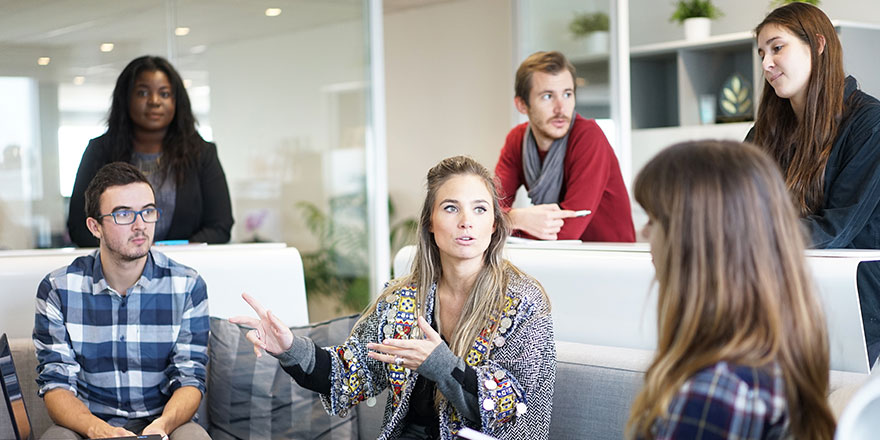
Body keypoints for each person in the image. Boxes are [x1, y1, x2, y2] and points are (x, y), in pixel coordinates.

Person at [232, 156, 555, 439]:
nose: (466, 221)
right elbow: (350, 372)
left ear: (494, 224)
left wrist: (442, 366)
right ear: (430, 222)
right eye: (451, 207)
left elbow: (511, 405)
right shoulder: (401, 299)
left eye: (480, 209)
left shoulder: (524, 301)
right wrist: (290, 348)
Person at [627, 141, 835, 439]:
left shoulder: (716, 393)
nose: (644, 233)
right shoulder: (771, 360)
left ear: (694, 240)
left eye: (654, 220)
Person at [34, 162, 210, 439]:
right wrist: (100, 431)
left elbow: (190, 378)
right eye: (124, 214)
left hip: (163, 423)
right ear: (95, 226)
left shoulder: (187, 286)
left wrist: (161, 427)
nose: (140, 225)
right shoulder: (58, 288)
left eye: (148, 212)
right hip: (88, 425)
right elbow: (56, 385)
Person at [747, 2, 880, 362]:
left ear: (818, 45)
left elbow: (836, 228)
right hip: (783, 300)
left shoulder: (870, 123)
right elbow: (738, 205)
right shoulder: (765, 132)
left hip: (855, 307)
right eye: (761, 53)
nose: (766, 64)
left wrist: (747, 236)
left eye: (777, 47)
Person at [67, 55, 233, 247]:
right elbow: (79, 227)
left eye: (164, 94)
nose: (154, 101)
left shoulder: (202, 154)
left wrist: (171, 254)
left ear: (177, 101)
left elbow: (220, 227)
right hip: (117, 271)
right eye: (143, 93)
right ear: (125, 98)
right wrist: (130, 252)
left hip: (185, 268)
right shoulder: (100, 152)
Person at [494, 50, 635, 242]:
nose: (561, 108)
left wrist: (506, 221)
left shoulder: (588, 137)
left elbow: (566, 232)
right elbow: (487, 210)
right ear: (522, 105)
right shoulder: (516, 140)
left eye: (567, 94)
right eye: (547, 96)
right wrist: (516, 218)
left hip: (609, 261)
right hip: (558, 259)